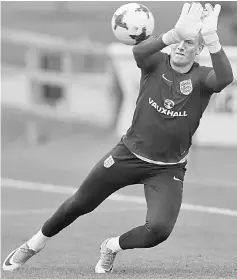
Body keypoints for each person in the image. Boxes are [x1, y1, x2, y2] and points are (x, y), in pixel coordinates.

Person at [3, 2, 233, 274]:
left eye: (189, 42)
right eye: (179, 41)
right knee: (80, 204)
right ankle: (33, 245)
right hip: (127, 154)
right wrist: (173, 33)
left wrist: (213, 38)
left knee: (159, 230)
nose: (182, 46)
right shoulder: (156, 62)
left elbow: (225, 78)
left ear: (199, 49)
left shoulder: (202, 77)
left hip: (167, 168)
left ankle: (111, 247)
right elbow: (138, 51)